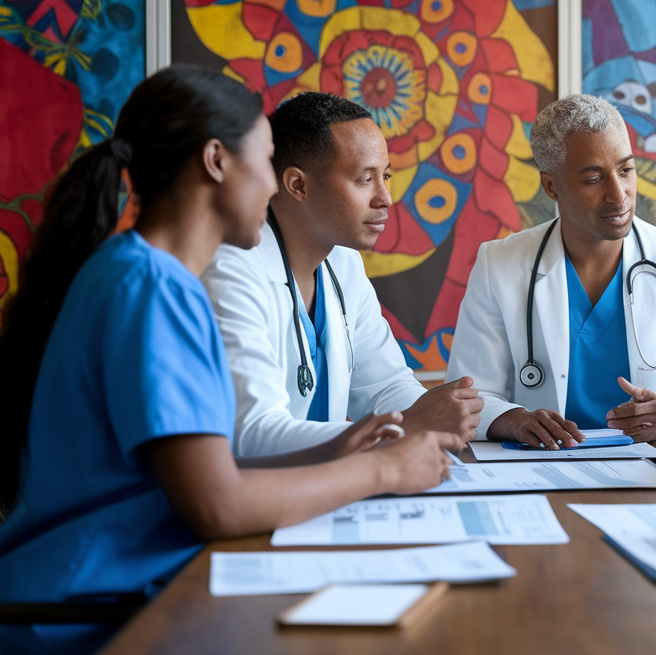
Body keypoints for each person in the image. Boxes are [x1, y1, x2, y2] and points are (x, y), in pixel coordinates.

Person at [0, 67, 459, 653]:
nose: (272, 186)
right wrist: (384, 469)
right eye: (263, 161)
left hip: (136, 581)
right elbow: (216, 504)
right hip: (87, 613)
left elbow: (214, 467)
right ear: (216, 161)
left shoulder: (150, 276)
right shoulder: (151, 288)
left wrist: (338, 448)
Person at [201, 93, 482, 457]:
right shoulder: (230, 271)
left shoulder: (343, 264)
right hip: (263, 499)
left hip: (329, 487)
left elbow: (386, 386)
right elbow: (253, 434)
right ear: (297, 185)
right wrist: (408, 427)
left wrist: (437, 416)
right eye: (365, 179)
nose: (385, 198)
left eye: (386, 177)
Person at [445, 94, 656, 448]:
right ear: (551, 186)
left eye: (626, 170)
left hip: (652, 469)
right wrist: (516, 421)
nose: (619, 195)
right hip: (539, 467)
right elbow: (471, 396)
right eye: (594, 179)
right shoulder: (499, 265)